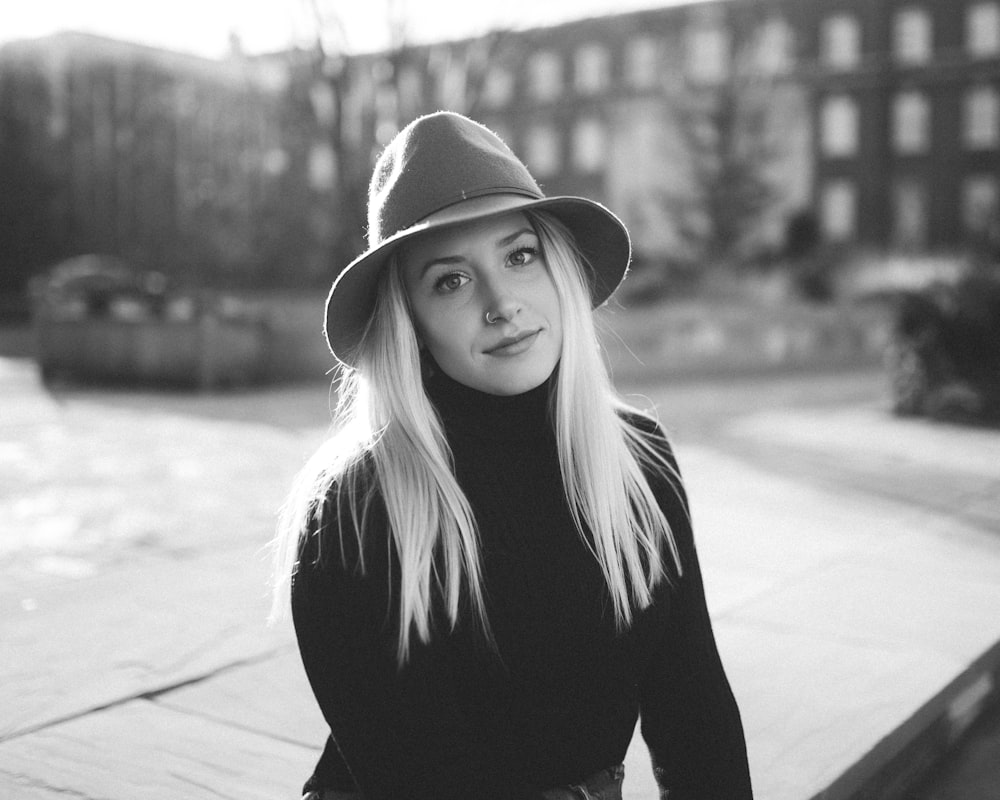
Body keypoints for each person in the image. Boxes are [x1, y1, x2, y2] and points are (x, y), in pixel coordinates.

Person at [270, 111, 753, 800]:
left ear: (558, 268)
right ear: (407, 321)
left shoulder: (637, 459)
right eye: (451, 281)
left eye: (519, 256)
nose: (502, 303)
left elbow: (695, 714)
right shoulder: (354, 513)